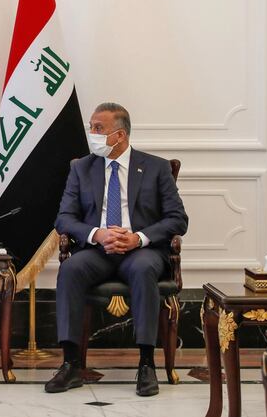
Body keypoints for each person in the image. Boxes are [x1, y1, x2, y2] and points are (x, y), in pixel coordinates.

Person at [46, 102, 188, 396]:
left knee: (143, 268)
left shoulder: (156, 167)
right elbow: (64, 218)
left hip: (141, 250)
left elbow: (178, 219)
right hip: (98, 251)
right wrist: (97, 234)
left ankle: (146, 364)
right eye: (91, 127)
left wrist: (138, 238)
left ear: (120, 135)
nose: (92, 133)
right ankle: (71, 364)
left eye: (99, 128)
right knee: (70, 269)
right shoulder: (81, 168)